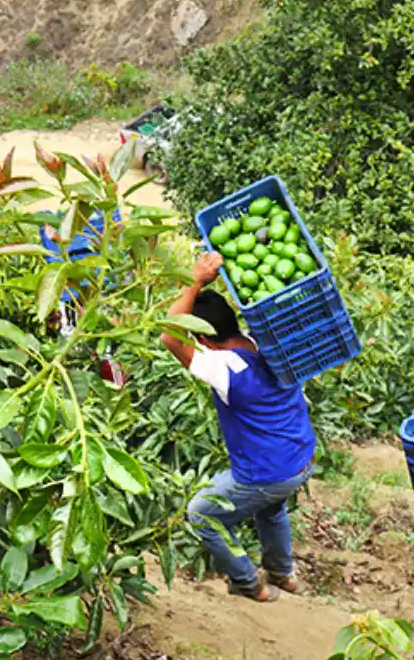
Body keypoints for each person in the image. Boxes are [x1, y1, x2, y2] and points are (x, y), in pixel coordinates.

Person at [160, 252, 316, 603]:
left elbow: (169, 335)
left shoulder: (224, 367)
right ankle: (283, 573)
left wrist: (195, 280)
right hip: (301, 458)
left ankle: (248, 582)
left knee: (201, 514)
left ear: (202, 339)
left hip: (269, 472)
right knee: (271, 507)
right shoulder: (263, 344)